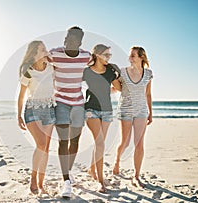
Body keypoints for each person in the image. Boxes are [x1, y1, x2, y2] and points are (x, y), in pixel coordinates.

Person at [50, 26, 91, 198]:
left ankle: (67, 170)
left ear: (79, 43)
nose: (67, 41)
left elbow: (99, 65)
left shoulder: (86, 56)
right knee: (62, 141)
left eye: (71, 39)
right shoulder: (55, 54)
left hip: (78, 104)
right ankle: (66, 181)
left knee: (74, 141)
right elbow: (39, 61)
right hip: (60, 102)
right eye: (66, 38)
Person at [17, 41, 56, 195]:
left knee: (45, 148)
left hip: (49, 109)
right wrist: (18, 116)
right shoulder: (28, 71)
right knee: (40, 144)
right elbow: (21, 97)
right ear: (34, 53)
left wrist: (51, 57)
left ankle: (41, 184)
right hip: (32, 110)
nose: (46, 50)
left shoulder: (51, 67)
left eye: (45, 48)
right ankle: (33, 178)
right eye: (42, 49)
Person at [83, 44, 121, 193]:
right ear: (97, 55)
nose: (109, 57)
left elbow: (119, 88)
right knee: (100, 143)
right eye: (106, 55)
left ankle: (92, 169)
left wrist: (106, 90)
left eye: (110, 55)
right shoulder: (86, 72)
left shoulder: (110, 72)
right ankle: (100, 181)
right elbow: (71, 81)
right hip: (91, 110)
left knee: (100, 144)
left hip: (106, 111)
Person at [113, 46, 153, 188]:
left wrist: (150, 113)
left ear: (141, 57)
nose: (130, 58)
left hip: (141, 110)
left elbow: (148, 94)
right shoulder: (122, 72)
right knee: (125, 142)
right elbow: (117, 88)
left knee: (139, 144)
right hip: (125, 110)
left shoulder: (148, 74)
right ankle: (117, 160)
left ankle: (136, 176)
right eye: (130, 56)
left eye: (133, 56)